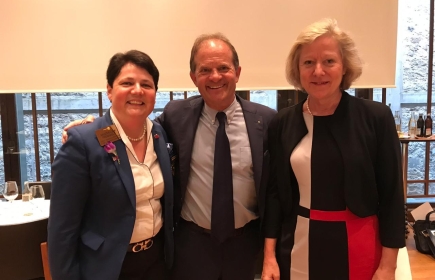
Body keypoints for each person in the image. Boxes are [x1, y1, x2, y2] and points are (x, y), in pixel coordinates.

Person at [63, 33, 276, 280]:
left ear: (237, 72)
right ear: (193, 77)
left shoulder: (266, 121)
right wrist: (93, 126)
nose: (215, 76)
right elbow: (132, 121)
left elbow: (273, 192)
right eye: (205, 69)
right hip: (190, 246)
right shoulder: (177, 115)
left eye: (223, 68)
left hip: (245, 245)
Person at [261, 18, 405, 280]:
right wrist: (269, 256)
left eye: (328, 61)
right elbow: (274, 196)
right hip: (298, 243)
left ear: (344, 66)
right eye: (308, 62)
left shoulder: (375, 117)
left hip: (359, 242)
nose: (318, 71)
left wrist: (388, 266)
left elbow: (392, 195)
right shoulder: (282, 122)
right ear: (298, 69)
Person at [48, 50, 174, 280]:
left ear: (155, 92)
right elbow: (62, 230)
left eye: (146, 84)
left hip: (156, 262)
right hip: (107, 266)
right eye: (127, 82)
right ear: (109, 90)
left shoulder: (159, 133)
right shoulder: (84, 141)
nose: (137, 90)